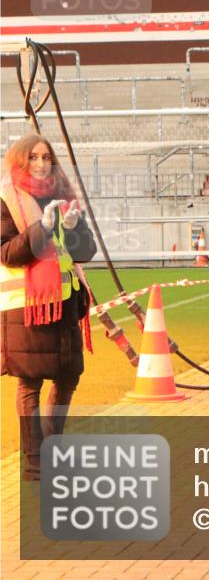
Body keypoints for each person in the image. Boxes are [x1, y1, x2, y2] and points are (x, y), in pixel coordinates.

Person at [1, 132, 97, 481]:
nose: (41, 164)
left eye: (46, 157)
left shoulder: (63, 195)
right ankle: (35, 462)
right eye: (34, 158)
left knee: (68, 375)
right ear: (20, 160)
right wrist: (42, 229)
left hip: (67, 303)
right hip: (27, 307)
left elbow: (86, 252)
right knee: (30, 384)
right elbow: (8, 253)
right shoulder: (6, 198)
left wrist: (71, 229)